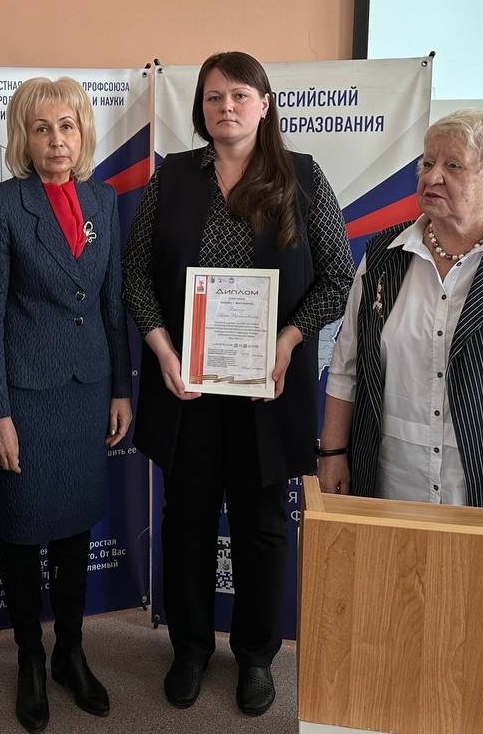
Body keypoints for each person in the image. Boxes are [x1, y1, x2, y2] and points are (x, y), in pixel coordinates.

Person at [122, 51, 354, 717]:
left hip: (267, 390)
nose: (226, 107)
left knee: (262, 527)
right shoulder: (172, 177)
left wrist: (288, 340)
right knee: (187, 522)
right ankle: (191, 649)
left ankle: (256, 656)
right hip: (186, 388)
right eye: (213, 96)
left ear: (265, 103)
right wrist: (162, 348)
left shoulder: (301, 176)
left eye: (239, 95)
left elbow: (337, 275)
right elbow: (136, 272)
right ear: (200, 108)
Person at [318, 109, 483, 513]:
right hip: (387, 487)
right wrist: (332, 453)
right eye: (427, 163)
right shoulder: (383, 254)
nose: (432, 177)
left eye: (453, 166)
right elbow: (347, 365)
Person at [0, 77, 132, 734]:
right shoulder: (3, 204)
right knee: (20, 529)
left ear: (82, 132)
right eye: (42, 129)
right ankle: (30, 658)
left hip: (87, 390)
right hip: (26, 396)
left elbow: (112, 302)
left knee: (73, 529)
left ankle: (71, 651)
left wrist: (121, 388)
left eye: (67, 126)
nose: (56, 140)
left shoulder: (104, 200)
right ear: (23, 138)